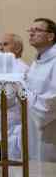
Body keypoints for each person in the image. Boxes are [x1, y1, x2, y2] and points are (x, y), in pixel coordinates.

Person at [0, 33, 30, 157]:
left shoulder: (21, 69)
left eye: (5, 44)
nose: (0, 48)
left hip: (11, 125)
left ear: (17, 48)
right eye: (0, 44)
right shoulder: (1, 67)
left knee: (11, 161)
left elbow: (8, 99)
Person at [24, 18, 56, 161]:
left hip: (49, 127)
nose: (31, 34)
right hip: (32, 125)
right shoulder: (37, 60)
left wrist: (26, 96)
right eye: (31, 30)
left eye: (37, 30)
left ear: (50, 36)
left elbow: (53, 99)